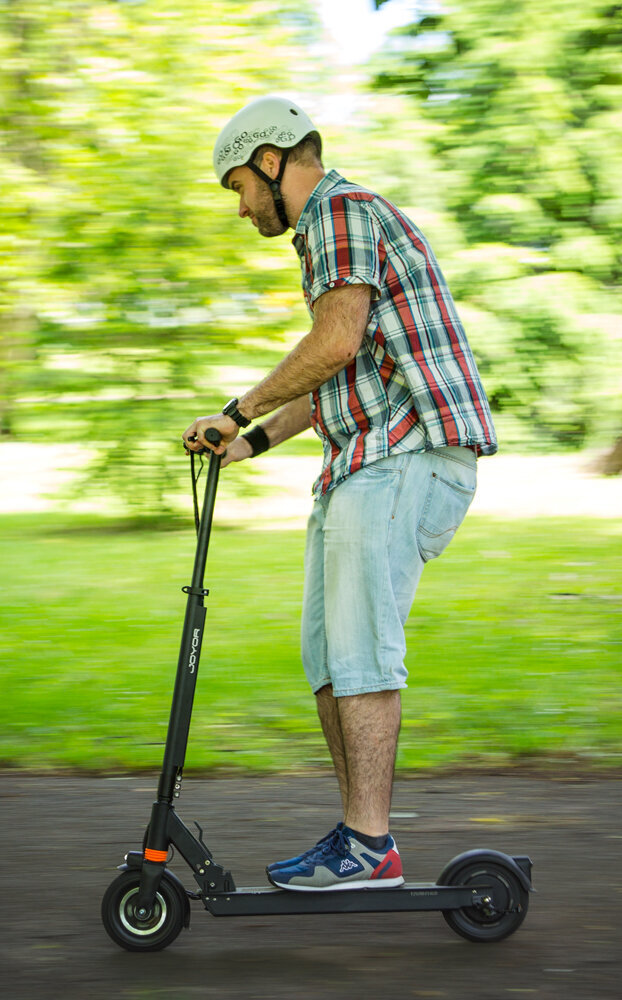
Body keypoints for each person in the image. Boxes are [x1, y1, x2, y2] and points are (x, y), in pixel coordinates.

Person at [183, 96, 497, 892]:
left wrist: (235, 407)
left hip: (406, 455)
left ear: (271, 161)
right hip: (366, 456)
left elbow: (333, 344)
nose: (243, 206)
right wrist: (248, 440)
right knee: (327, 656)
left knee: (360, 652)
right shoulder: (332, 229)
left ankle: (370, 848)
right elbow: (341, 374)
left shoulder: (341, 211)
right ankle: (360, 835)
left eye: (239, 187)